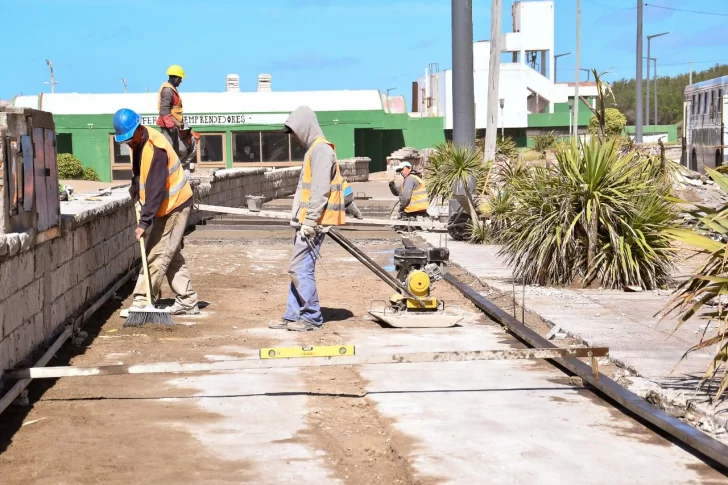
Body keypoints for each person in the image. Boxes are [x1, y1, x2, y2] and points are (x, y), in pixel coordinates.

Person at [113, 108, 200, 316]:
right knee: (170, 252)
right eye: (124, 140)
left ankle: (143, 299)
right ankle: (187, 300)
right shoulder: (138, 142)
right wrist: (135, 184)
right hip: (166, 205)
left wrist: (144, 223)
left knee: (157, 253)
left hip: (174, 205)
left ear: (138, 129)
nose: (128, 143)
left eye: (129, 138)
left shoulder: (156, 148)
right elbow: (139, 172)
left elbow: (155, 188)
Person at [268, 106, 346, 332]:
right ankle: (292, 316)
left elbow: (319, 190)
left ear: (304, 127)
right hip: (306, 223)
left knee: (301, 269)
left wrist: (310, 222)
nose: (293, 137)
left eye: (294, 132)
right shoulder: (314, 150)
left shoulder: (321, 150)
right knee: (297, 268)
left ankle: (311, 317)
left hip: (313, 224)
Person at [157, 64, 188, 160]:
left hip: (174, 125)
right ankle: (167, 172)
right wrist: (169, 124)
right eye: (180, 78)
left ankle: (176, 169)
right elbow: (164, 109)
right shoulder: (167, 90)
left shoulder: (172, 89)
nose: (181, 81)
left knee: (182, 150)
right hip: (168, 127)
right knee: (168, 151)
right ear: (175, 78)